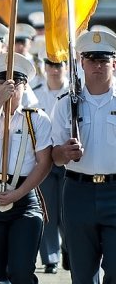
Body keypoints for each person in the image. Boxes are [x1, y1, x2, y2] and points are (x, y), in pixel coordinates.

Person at [0, 53, 52, 283]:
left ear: (24, 85)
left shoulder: (36, 119)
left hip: (24, 198)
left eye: (15, 82)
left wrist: (18, 193)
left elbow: (44, 162)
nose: (9, 87)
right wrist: (0, 103)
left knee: (21, 272)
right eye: (2, 82)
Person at [51, 30, 116, 283]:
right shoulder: (66, 103)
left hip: (114, 190)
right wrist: (63, 152)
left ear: (114, 62)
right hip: (79, 192)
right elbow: (53, 157)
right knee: (82, 273)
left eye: (103, 59)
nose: (97, 66)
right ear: (81, 63)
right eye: (91, 59)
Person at [34, 51, 69, 274]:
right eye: (50, 64)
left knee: (68, 210)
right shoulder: (36, 93)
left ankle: (69, 249)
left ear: (66, 66)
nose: (55, 69)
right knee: (47, 210)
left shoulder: (74, 93)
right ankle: (50, 258)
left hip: (68, 158)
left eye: (59, 64)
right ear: (44, 67)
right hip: (44, 157)